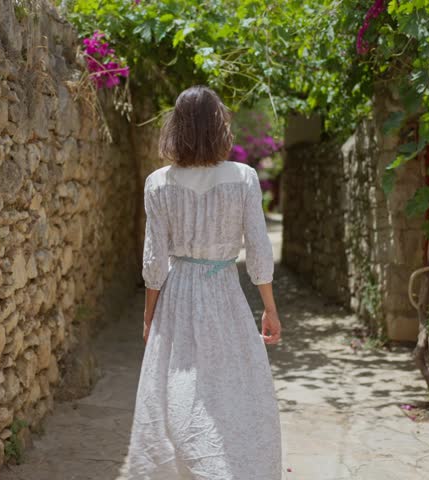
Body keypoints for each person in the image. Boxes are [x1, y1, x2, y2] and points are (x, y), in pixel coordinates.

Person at [127, 85, 283, 479]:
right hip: (224, 292)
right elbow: (259, 249)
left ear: (176, 127)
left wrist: (150, 316)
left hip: (178, 293)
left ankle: (189, 466)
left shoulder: (158, 183)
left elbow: (155, 260)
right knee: (229, 388)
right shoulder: (243, 178)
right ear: (218, 126)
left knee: (179, 386)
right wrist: (269, 307)